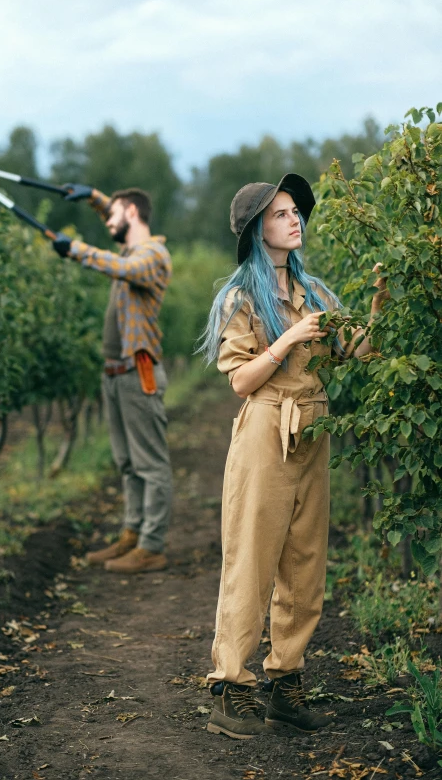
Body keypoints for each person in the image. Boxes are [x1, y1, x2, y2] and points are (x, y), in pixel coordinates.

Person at [199, 174, 388, 739]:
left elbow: (359, 349)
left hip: (313, 429)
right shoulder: (241, 298)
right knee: (252, 561)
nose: (294, 220)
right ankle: (231, 689)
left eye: (295, 212)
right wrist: (286, 339)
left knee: (305, 564)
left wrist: (377, 303)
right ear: (259, 229)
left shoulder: (314, 293)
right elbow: (240, 381)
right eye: (281, 214)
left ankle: (286, 683)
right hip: (265, 430)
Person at [52, 184, 173, 574]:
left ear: (133, 214)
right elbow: (116, 222)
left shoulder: (151, 254)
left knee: (150, 464)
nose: (108, 222)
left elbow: (122, 268)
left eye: (113, 214)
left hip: (139, 373)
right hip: (115, 375)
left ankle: (152, 545)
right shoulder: (130, 245)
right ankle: (133, 534)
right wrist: (93, 196)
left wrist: (76, 250)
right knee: (126, 463)